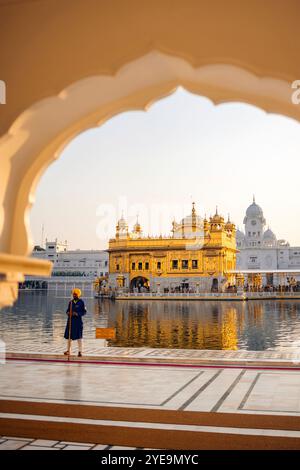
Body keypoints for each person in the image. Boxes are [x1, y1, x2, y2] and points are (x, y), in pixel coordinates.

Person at [64, 288, 87, 357]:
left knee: (79, 337)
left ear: (78, 295)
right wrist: (68, 313)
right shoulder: (70, 302)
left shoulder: (81, 302)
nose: (74, 295)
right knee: (69, 337)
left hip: (78, 322)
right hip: (70, 322)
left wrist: (77, 314)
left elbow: (84, 312)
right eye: (73, 294)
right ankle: (68, 350)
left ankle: (80, 351)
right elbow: (67, 311)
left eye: (75, 294)